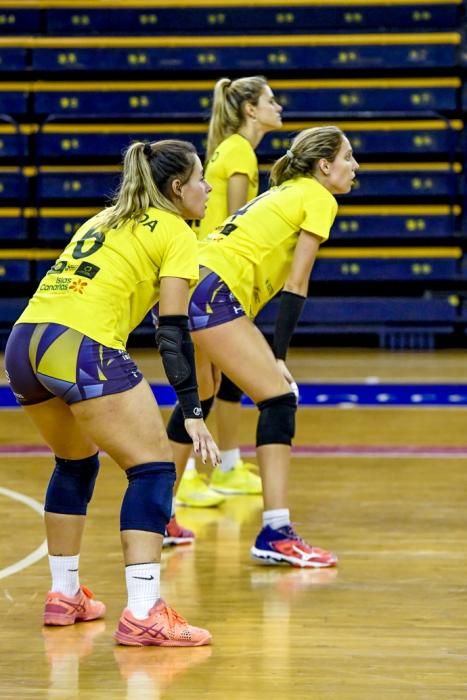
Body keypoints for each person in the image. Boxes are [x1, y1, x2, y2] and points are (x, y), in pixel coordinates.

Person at [4, 139, 220, 646]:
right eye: (200, 179)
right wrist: (191, 410)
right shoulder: (177, 233)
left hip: (23, 342)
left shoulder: (104, 218)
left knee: (75, 463)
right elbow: (171, 332)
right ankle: (144, 612)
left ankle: (64, 595)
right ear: (176, 188)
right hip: (79, 346)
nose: (207, 187)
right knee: (152, 470)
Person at [166, 126, 359, 568]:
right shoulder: (318, 197)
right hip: (212, 291)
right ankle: (276, 530)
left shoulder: (286, 190)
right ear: (324, 165)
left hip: (183, 282)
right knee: (279, 396)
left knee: (202, 392)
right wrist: (279, 356)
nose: (355, 166)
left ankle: (159, 515)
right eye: (348, 157)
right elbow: (296, 284)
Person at [177, 75, 284, 510]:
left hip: (204, 275)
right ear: (250, 110)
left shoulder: (233, 149)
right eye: (271, 101)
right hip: (211, 278)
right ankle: (184, 477)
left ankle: (224, 466)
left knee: (214, 379)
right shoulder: (239, 152)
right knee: (203, 382)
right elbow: (238, 223)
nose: (280, 107)